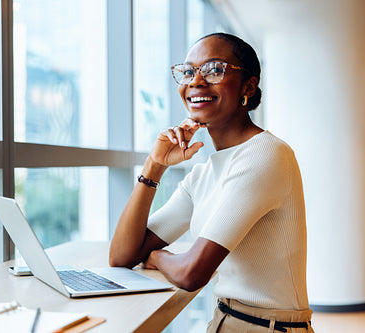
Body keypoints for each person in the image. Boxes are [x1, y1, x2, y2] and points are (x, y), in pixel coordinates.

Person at [109, 32, 314, 333]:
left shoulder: (266, 154)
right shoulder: (204, 174)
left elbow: (192, 272)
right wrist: (154, 166)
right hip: (224, 321)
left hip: (270, 328)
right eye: (188, 71)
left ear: (248, 86)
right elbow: (122, 255)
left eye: (214, 69)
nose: (196, 81)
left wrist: (156, 256)